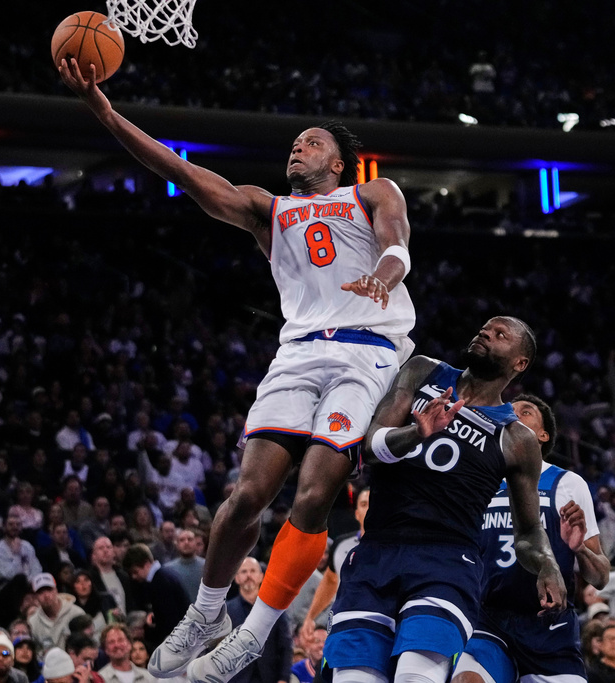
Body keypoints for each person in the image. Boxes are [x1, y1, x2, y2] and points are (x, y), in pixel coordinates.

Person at [59, 59, 416, 682]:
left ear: (336, 162)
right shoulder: (265, 209)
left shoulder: (369, 192)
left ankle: (252, 635)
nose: (297, 148)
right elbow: (177, 168)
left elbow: (396, 242)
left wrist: (380, 280)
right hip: (298, 352)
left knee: (314, 490)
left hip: (367, 350)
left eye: (311, 143)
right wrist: (103, 110)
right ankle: (207, 615)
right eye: (293, 144)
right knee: (247, 495)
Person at [318, 318, 565, 683]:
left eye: (500, 335)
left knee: (414, 679)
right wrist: (416, 433)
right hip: (376, 551)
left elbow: (528, 532)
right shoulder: (423, 370)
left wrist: (548, 565)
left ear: (520, 364)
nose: (485, 333)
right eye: (484, 328)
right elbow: (369, 447)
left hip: (446, 563)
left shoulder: (516, 438)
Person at [453, 393, 610, 683]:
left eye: (525, 412)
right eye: (508, 411)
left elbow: (600, 578)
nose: (512, 415)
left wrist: (579, 551)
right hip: (488, 617)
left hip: (548, 627)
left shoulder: (568, 483)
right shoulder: (477, 479)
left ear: (543, 434)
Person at [298, 488, 369, 641]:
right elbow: (330, 581)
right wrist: (310, 617)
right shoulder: (341, 544)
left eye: (372, 504)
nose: (369, 509)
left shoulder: (395, 546)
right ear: (356, 513)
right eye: (364, 504)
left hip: (381, 622)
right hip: (344, 623)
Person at [216, 558, 291, 683]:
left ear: (261, 576)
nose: (248, 575)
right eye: (244, 572)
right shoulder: (226, 611)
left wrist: (283, 678)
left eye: (252, 571)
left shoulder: (275, 609)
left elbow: (285, 646)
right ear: (236, 578)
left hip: (269, 678)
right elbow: (215, 649)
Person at [120, 545, 188, 651]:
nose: (133, 577)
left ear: (147, 564)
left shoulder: (160, 582)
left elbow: (170, 621)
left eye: (135, 572)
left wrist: (148, 632)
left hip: (178, 642)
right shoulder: (166, 574)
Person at [27, 573, 85, 652]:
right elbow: (36, 652)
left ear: (56, 590)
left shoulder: (76, 613)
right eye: (41, 592)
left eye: (49, 590)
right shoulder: (33, 623)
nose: (46, 595)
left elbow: (87, 643)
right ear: (35, 597)